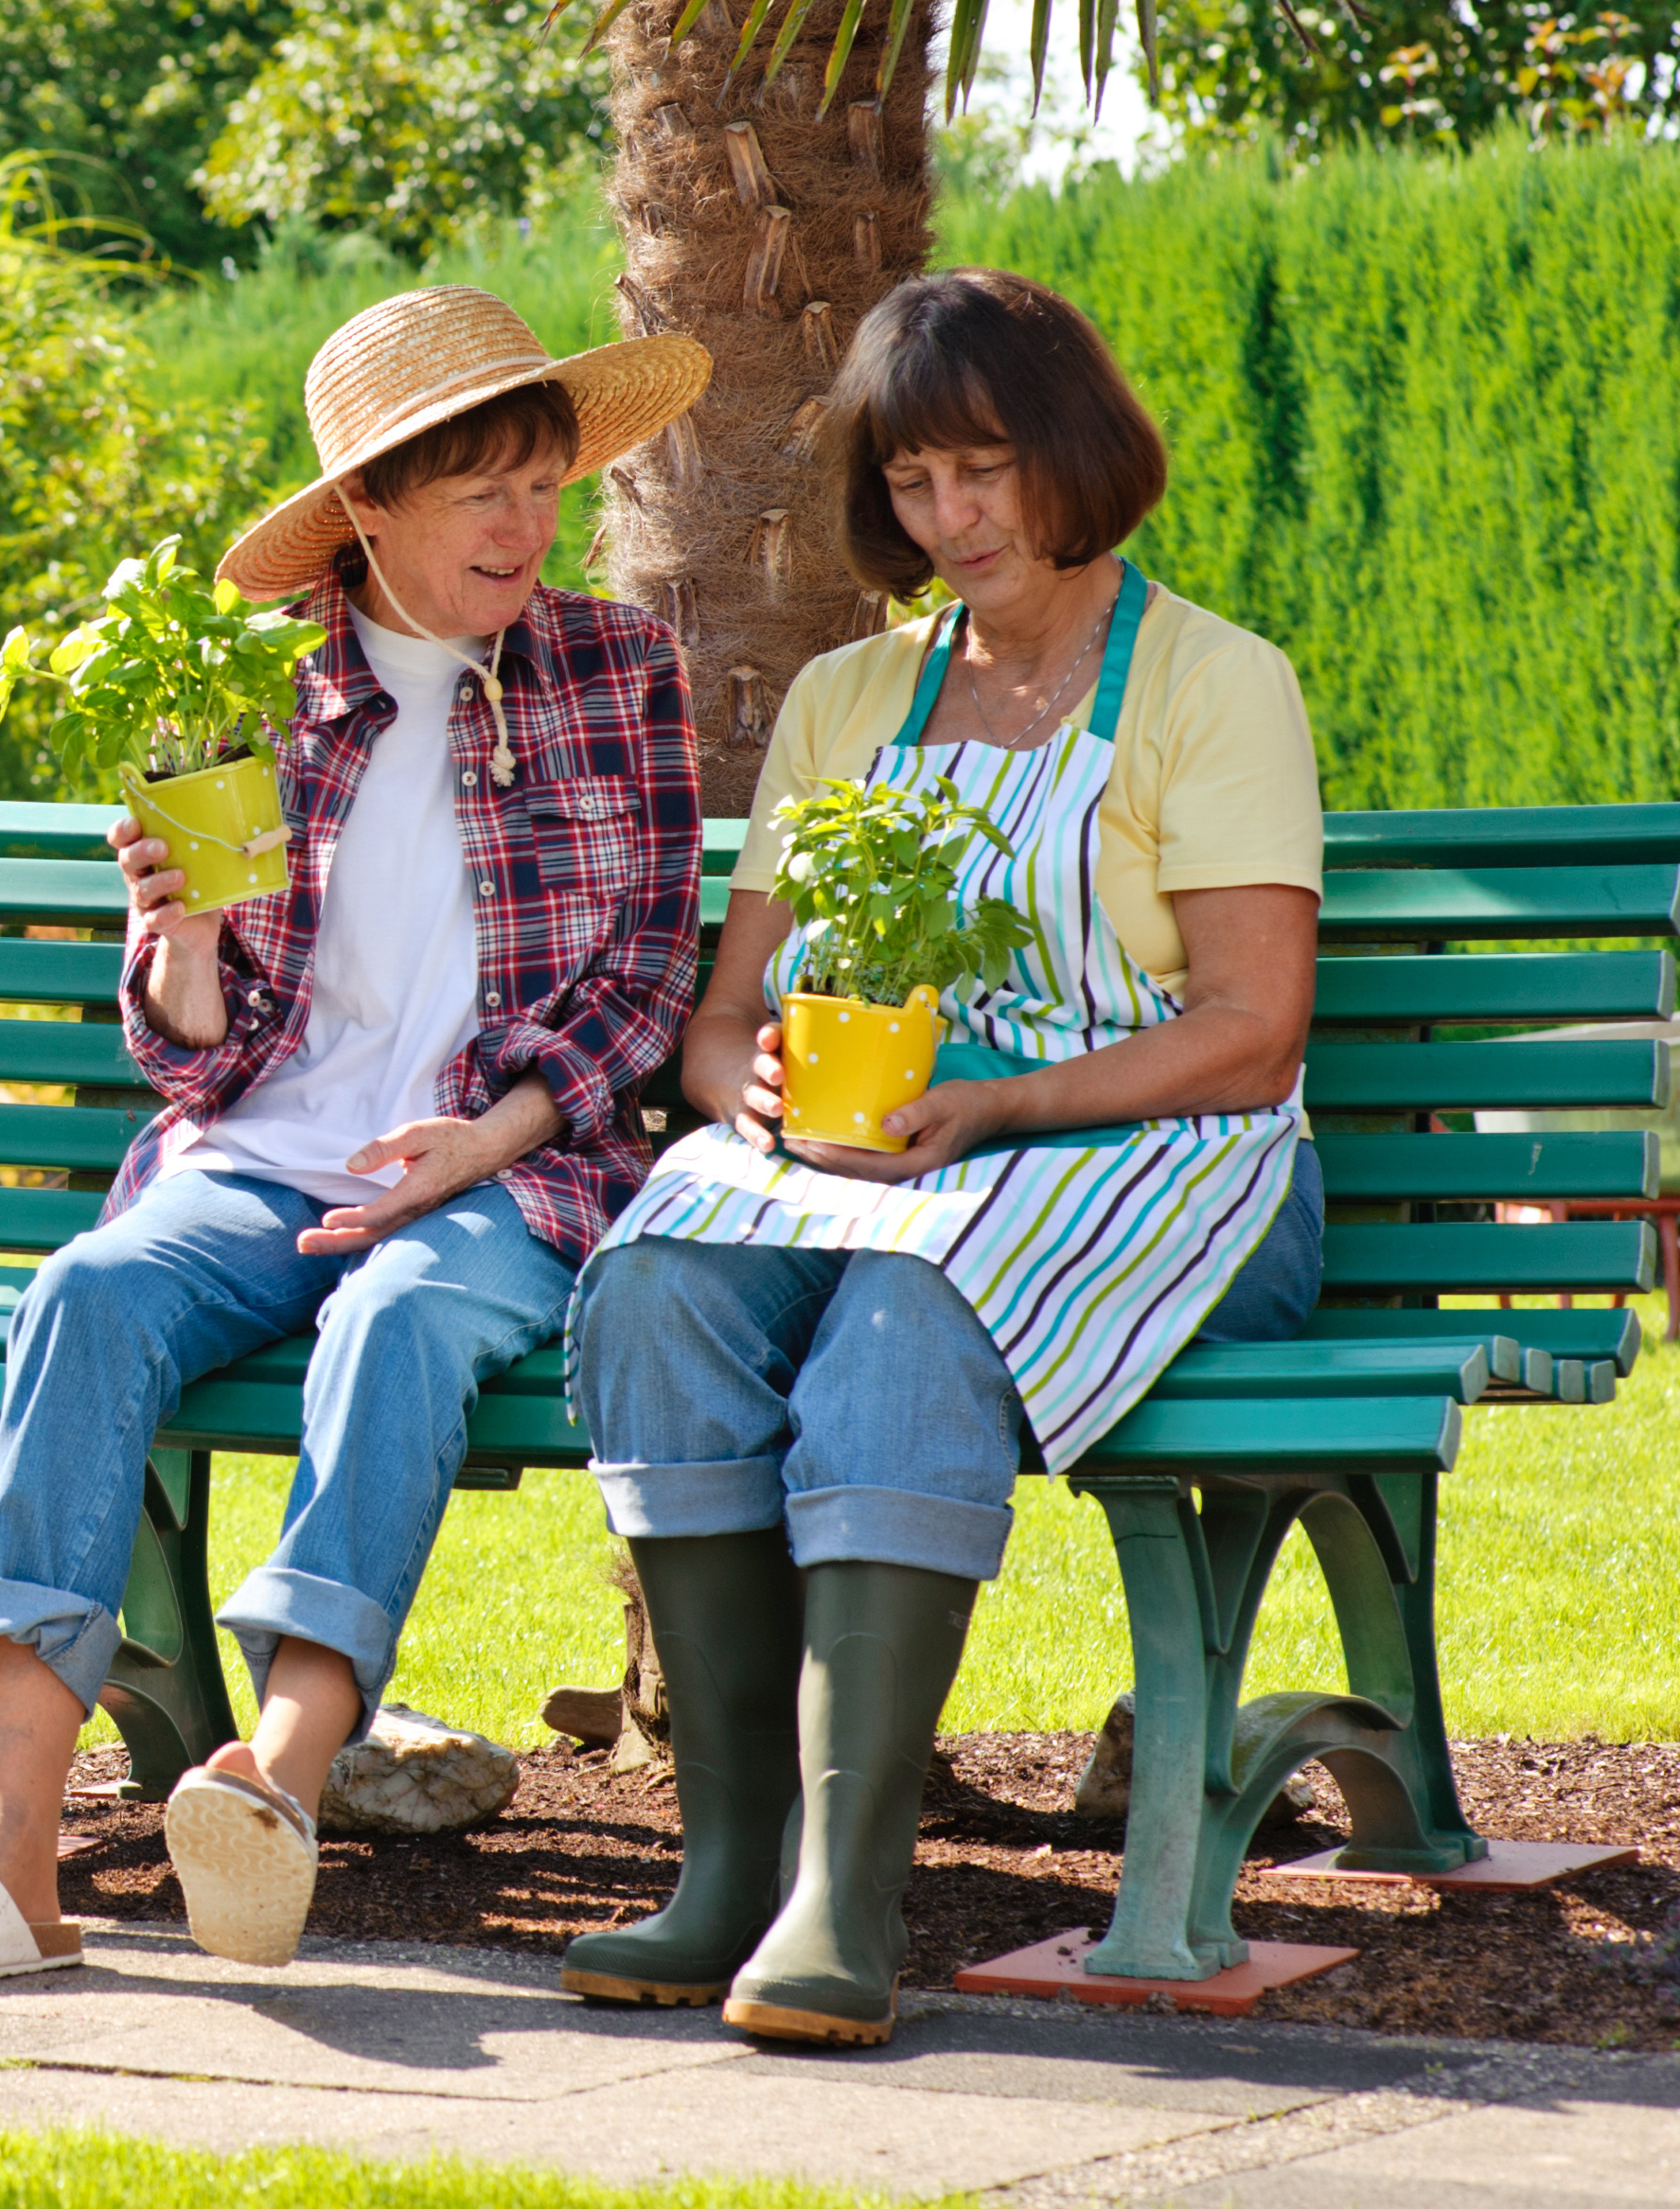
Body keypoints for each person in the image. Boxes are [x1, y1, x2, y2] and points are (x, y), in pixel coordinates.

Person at [0, 286, 710, 1992]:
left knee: (399, 1315)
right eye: (480, 497)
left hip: (507, 1165)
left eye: (544, 486)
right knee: (88, 1294)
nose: (528, 530)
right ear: (367, 510)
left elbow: (655, 967)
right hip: (256, 1159)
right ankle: (3, 1860)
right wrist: (184, 929)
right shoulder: (242, 700)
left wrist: (483, 1139)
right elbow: (187, 1056)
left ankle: (276, 1777)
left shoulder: (618, 672)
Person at [561, 268, 1328, 2049]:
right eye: (913, 484)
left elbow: (1249, 1026)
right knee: (660, 1279)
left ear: (1072, 454)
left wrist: (995, 1105)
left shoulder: (1217, 684)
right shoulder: (849, 697)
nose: (951, 517)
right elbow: (726, 1008)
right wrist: (739, 1087)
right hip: (879, 1149)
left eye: (984, 470)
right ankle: (725, 1866)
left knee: (907, 1311)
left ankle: (846, 1891)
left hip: (1169, 1154)